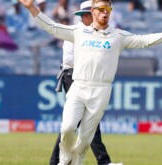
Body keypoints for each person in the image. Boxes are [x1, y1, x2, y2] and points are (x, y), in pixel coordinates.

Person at [18, 0, 162, 164]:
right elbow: (52, 27)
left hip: (101, 90)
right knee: (68, 128)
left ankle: (75, 163)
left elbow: (143, 40)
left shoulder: (117, 36)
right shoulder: (78, 32)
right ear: (92, 11)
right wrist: (32, 8)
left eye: (108, 8)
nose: (105, 12)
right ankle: (64, 161)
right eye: (101, 8)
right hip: (78, 86)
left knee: (85, 139)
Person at [51, 1, 120, 165]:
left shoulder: (95, 32)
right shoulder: (78, 32)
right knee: (77, 125)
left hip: (86, 78)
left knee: (75, 125)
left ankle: (57, 161)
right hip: (74, 76)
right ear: (89, 15)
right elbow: (68, 59)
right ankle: (103, 161)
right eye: (91, 14)